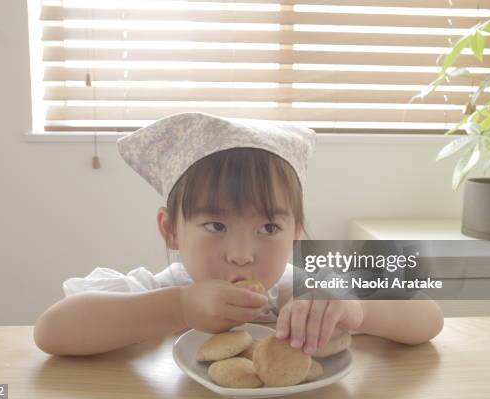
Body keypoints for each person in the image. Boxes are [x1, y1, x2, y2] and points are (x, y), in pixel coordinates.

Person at [34, 112, 444, 356]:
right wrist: (177, 309)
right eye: (216, 226)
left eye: (269, 228)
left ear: (295, 233)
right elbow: (52, 331)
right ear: (170, 230)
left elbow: (428, 319)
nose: (243, 254)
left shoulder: (300, 292)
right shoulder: (160, 290)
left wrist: (358, 311)